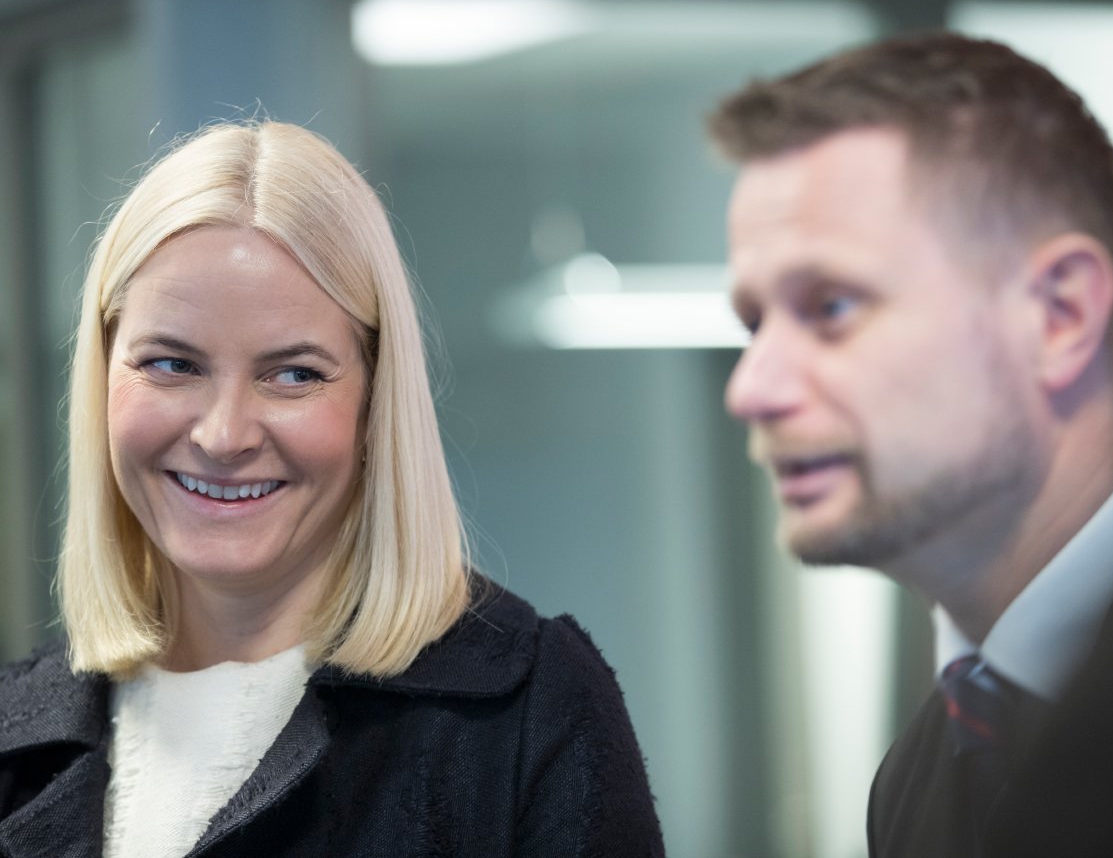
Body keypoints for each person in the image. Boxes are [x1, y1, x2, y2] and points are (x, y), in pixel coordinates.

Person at [0, 120, 664, 857]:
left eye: (294, 374)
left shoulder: (532, 714)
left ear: (376, 399)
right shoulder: (12, 733)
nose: (224, 435)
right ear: (102, 378)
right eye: (171, 364)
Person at [710, 31, 1113, 857]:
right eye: (754, 323)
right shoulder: (917, 777)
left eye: (831, 307)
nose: (750, 389)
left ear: (1058, 316)